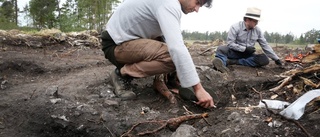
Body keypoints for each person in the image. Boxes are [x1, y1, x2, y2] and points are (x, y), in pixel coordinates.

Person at [100, 0, 214, 108]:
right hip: (115, 46)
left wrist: (176, 75)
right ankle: (122, 73)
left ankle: (171, 80)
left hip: (126, 40)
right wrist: (198, 88)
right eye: (197, 2)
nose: (197, 9)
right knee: (172, 56)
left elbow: (168, 39)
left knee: (171, 51)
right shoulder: (168, 4)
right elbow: (177, 49)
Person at [212, 7, 283, 73]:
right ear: (247, 19)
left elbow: (265, 45)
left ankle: (233, 62)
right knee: (221, 49)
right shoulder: (235, 27)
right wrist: (244, 49)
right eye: (255, 21)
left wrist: (276, 59)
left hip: (247, 55)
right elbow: (230, 43)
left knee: (264, 59)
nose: (257, 23)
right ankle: (221, 64)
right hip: (234, 52)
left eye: (257, 21)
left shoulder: (257, 30)